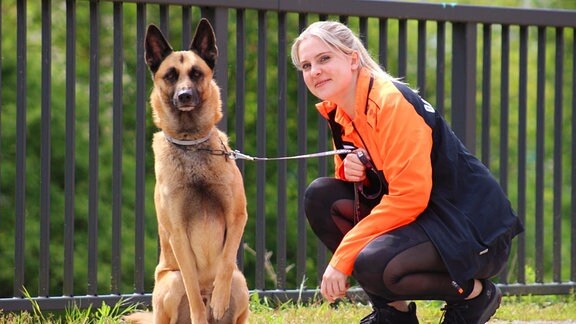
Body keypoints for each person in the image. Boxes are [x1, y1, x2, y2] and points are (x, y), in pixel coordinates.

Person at [290, 20, 523, 324]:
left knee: (371, 261)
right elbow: (362, 196)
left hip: (471, 231)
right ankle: (393, 314)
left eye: (324, 59)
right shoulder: (339, 111)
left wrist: (342, 258)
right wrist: (357, 172)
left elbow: (410, 197)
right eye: (306, 65)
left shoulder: (390, 102)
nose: (314, 71)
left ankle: (474, 295)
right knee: (321, 197)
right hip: (423, 221)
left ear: (352, 58)